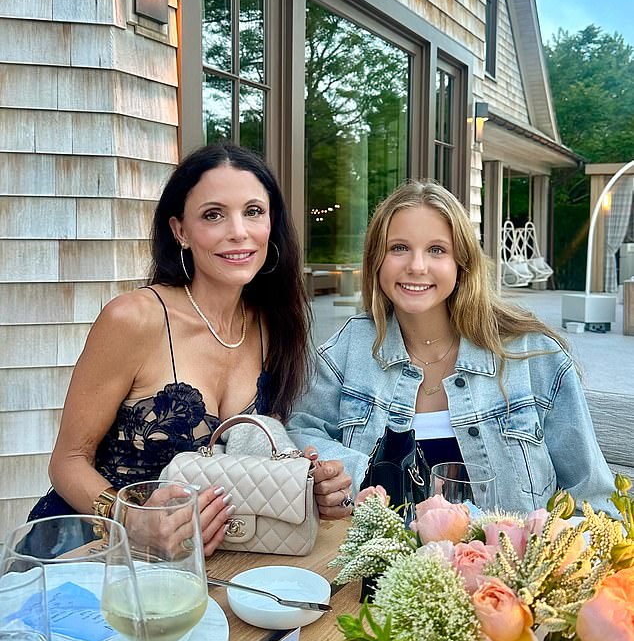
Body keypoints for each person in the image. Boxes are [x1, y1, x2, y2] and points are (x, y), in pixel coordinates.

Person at [28, 142, 348, 555]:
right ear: (180, 230)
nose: (238, 231)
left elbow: (249, 462)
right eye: (213, 215)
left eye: (253, 211)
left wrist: (309, 486)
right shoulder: (134, 319)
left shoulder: (274, 326)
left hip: (206, 562)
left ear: (272, 223)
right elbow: (67, 461)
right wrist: (131, 519)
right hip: (88, 550)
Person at [287, 179, 616, 514]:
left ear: (462, 263)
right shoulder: (348, 350)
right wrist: (359, 476)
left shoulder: (533, 355)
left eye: (436, 250)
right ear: (376, 260)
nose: (416, 266)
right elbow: (300, 427)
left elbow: (594, 499)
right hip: (383, 564)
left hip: (507, 562)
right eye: (399, 247)